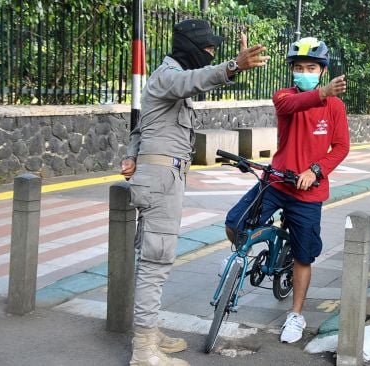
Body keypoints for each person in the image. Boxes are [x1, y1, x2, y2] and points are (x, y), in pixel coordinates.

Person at [121, 19, 269, 366]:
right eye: (209, 49)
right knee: (156, 262)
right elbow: (192, 81)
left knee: (150, 258)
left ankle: (149, 332)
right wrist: (232, 66)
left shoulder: (167, 78)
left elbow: (142, 127)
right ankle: (143, 350)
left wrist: (130, 156)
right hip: (161, 179)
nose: (212, 54)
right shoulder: (170, 75)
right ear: (191, 45)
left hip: (159, 177)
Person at [224, 36, 349, 344]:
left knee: (304, 258)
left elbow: (341, 147)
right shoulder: (284, 97)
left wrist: (315, 170)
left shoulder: (335, 107)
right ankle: (267, 239)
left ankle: (295, 315)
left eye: (311, 67)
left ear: (321, 71)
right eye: (298, 67)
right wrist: (321, 93)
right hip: (277, 180)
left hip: (309, 192)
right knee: (234, 223)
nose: (304, 72)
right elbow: (295, 103)